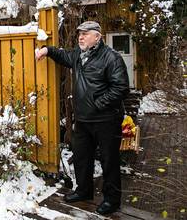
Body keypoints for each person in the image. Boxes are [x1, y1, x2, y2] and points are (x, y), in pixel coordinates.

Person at [35, 21, 129, 215]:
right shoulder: (78, 56)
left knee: (109, 161)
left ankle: (111, 201)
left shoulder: (111, 58)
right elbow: (64, 55)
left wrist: (97, 104)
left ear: (97, 36)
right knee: (81, 157)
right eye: (79, 33)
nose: (80, 37)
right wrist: (46, 50)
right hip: (84, 120)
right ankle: (84, 191)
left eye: (85, 33)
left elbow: (121, 88)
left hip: (106, 120)